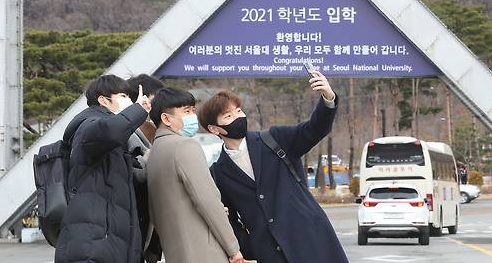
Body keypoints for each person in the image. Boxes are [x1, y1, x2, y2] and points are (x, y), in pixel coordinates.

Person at [199, 70, 349, 263]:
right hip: (270, 254)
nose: (237, 117)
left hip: (311, 241)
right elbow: (228, 218)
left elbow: (314, 129)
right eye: (228, 116)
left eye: (239, 111)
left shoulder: (274, 139)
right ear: (213, 129)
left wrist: (328, 98)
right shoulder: (218, 172)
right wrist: (250, 245)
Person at [55, 74, 150, 263]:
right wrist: (137, 110)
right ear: (103, 100)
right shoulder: (89, 124)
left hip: (103, 239)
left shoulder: (104, 133)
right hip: (93, 243)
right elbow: (110, 131)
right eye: (123, 97)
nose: (128, 102)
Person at [146, 87, 244, 263]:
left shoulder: (154, 152)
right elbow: (207, 200)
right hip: (205, 250)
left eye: (192, 109)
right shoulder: (184, 146)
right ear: (166, 118)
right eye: (186, 111)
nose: (192, 115)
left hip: (176, 252)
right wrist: (233, 248)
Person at [126, 74, 165, 263]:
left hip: (147, 245)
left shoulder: (153, 139)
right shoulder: (125, 138)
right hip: (132, 240)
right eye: (156, 101)